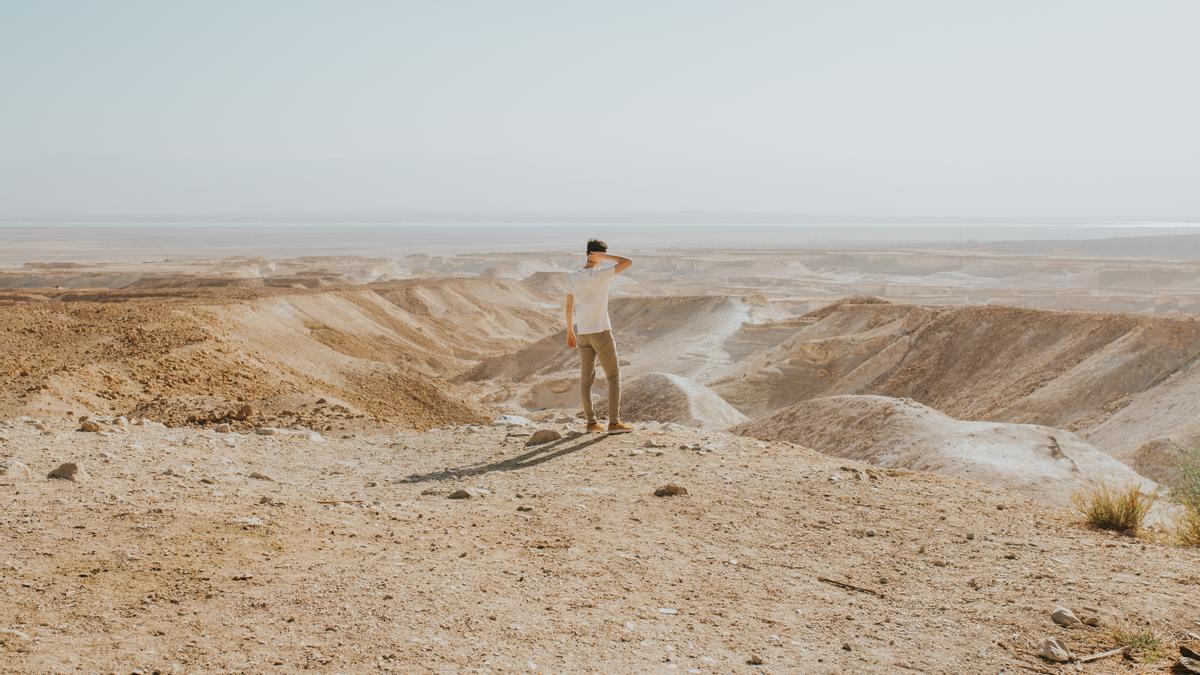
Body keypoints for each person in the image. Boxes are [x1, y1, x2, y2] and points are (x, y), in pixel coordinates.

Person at [565, 239, 634, 433]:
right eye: (602, 256)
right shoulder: (602, 274)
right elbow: (628, 261)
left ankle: (591, 423)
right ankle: (614, 423)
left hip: (583, 333)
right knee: (613, 376)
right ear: (599, 255)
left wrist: (570, 331)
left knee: (586, 380)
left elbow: (569, 306)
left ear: (586, 253)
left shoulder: (572, 277)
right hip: (601, 332)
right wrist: (605, 257)